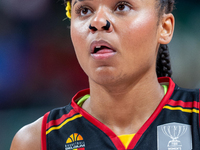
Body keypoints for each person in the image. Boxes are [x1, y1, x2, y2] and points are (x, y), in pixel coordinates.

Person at [10, 0, 200, 149]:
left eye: (122, 6)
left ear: (164, 27)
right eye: (84, 10)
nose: (98, 22)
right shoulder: (36, 141)